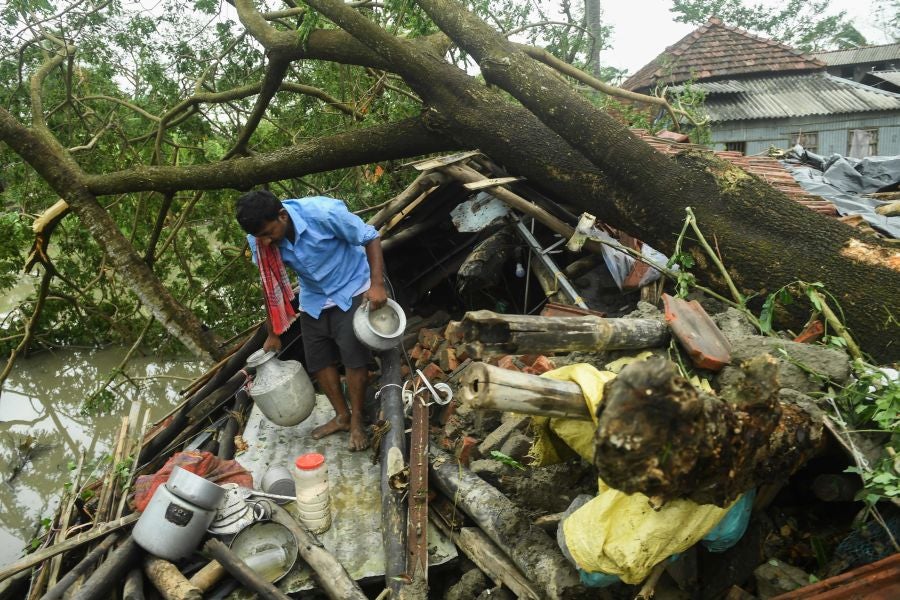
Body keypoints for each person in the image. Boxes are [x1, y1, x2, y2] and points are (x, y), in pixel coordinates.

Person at [235, 190, 387, 451]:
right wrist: (273, 333)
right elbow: (268, 284)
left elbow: (370, 237)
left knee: (353, 358)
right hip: (314, 297)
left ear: (282, 215)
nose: (268, 242)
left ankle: (357, 421)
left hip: (351, 286)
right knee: (318, 361)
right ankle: (342, 416)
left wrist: (376, 284)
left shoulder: (323, 213)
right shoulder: (259, 240)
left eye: (270, 233)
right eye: (261, 237)